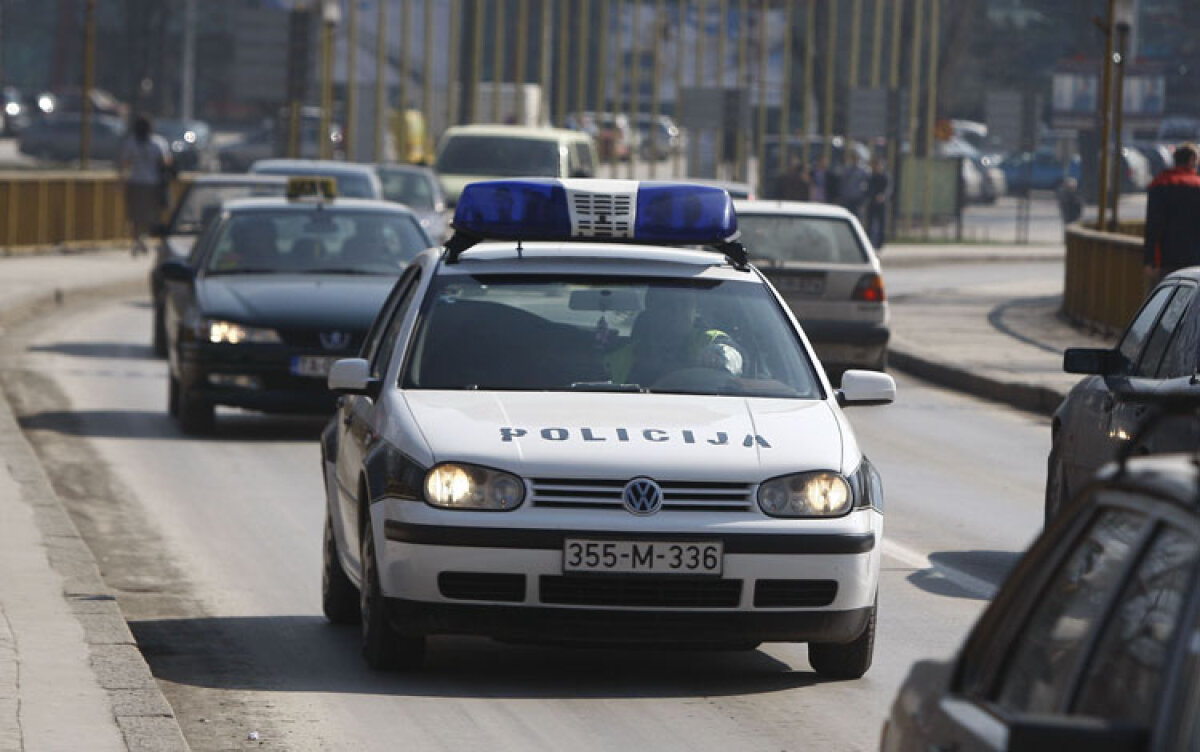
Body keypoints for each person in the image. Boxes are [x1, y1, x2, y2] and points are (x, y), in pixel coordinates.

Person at [605, 287, 742, 386]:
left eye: (685, 304)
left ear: (695, 310)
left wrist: (721, 357)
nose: (677, 311)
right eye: (667, 305)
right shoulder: (621, 358)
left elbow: (732, 354)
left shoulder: (708, 340)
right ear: (651, 309)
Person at [1142, 143, 1200, 293]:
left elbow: (1153, 227)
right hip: (1195, 262)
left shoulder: (1159, 184)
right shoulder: (1197, 186)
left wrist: (1150, 261)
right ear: (1192, 160)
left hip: (1165, 262)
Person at [118, 113, 171, 257]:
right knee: (151, 214)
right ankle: (143, 238)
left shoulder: (131, 143)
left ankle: (137, 240)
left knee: (135, 214)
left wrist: (121, 181)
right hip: (153, 183)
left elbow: (125, 163)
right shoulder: (158, 143)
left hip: (135, 181)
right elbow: (166, 162)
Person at [864, 158, 891, 249]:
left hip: (882, 203)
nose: (877, 167)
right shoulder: (871, 177)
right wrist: (873, 196)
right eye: (876, 166)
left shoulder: (885, 177)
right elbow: (868, 189)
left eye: (879, 166)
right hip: (872, 202)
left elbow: (888, 189)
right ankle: (869, 242)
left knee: (882, 223)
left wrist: (883, 196)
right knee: (870, 223)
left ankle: (880, 243)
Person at [839, 152, 869, 219]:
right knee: (847, 216)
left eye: (856, 159)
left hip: (858, 199)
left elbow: (866, 184)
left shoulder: (863, 171)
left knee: (857, 217)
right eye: (853, 159)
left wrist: (864, 197)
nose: (855, 160)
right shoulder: (847, 170)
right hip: (847, 198)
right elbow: (843, 183)